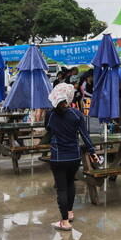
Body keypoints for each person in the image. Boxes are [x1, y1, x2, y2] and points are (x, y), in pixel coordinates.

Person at [45, 83, 98, 231]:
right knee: (70, 184)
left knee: (62, 188)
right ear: (69, 98)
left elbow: (48, 129)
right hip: (74, 157)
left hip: (58, 157)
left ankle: (64, 221)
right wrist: (92, 151)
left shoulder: (50, 114)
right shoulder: (76, 114)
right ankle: (69, 212)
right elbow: (85, 135)